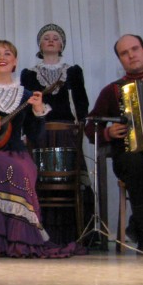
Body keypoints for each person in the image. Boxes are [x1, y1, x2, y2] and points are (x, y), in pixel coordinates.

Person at [0, 40, 80, 257]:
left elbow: (36, 136)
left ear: (15, 61)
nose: (2, 57)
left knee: (20, 167)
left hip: (17, 153)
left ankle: (15, 237)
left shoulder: (27, 95)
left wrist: (38, 111)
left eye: (7, 54)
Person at [85, 34, 143, 255]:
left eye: (135, 49)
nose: (131, 55)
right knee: (136, 163)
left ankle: (136, 223)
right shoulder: (113, 90)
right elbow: (89, 126)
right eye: (124, 53)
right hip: (129, 157)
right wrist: (107, 132)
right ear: (120, 59)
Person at [20, 23, 92, 244]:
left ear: (62, 45)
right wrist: (26, 132)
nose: (51, 40)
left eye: (55, 38)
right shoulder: (29, 74)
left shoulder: (73, 71)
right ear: (40, 46)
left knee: (70, 182)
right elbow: (24, 106)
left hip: (67, 133)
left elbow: (81, 103)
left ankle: (76, 234)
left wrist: (79, 127)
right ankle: (38, 232)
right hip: (39, 134)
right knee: (38, 181)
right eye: (46, 38)